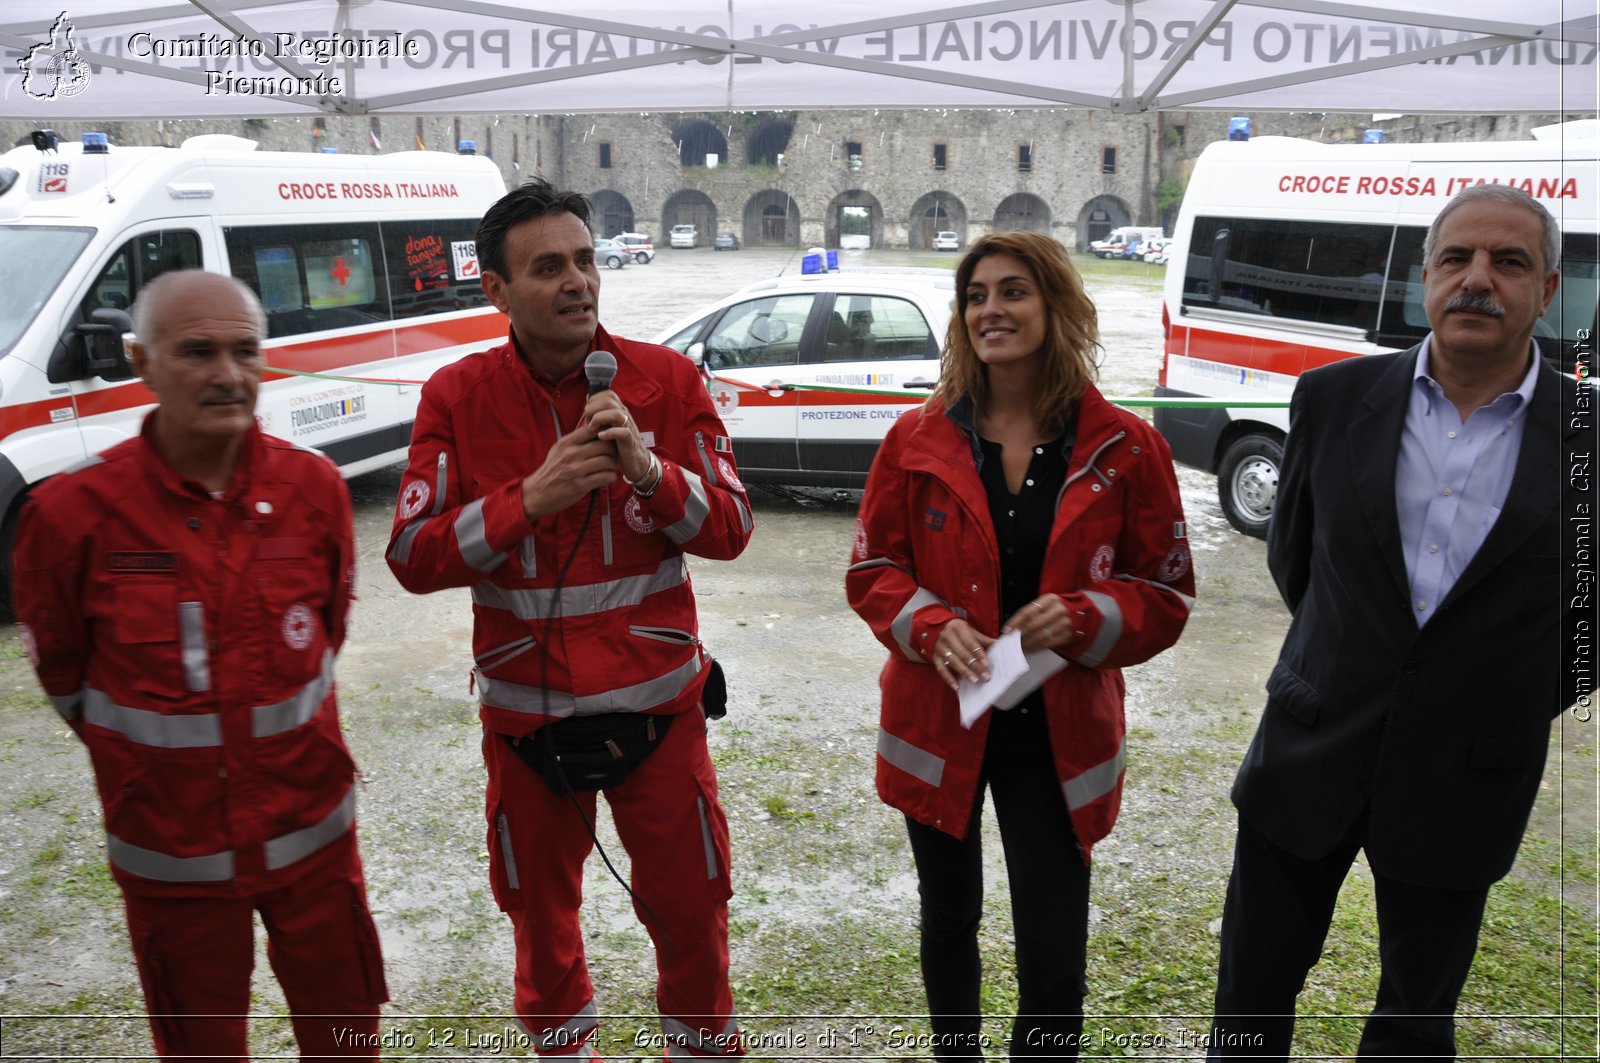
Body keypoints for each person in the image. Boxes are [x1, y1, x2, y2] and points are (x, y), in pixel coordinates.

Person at [1207, 183, 1588, 1058]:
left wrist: (1497, 695)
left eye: (1509, 261)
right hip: (1309, 748)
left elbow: (1588, 618)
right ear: (1426, 277)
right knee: (1249, 1000)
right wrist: (1350, 659)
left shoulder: (1590, 440)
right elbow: (1296, 559)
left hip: (1466, 772)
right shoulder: (1334, 400)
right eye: (1457, 258)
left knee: (1416, 1021)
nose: (1478, 279)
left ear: (1549, 287)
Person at [385, 180, 752, 1060]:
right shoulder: (456, 395)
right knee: (541, 925)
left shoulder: (665, 380)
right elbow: (411, 555)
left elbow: (734, 529)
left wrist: (650, 474)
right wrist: (528, 499)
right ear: (497, 291)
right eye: (548, 267)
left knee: (692, 911)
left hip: (660, 715)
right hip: (526, 725)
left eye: (585, 260)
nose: (579, 281)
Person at [13, 270, 387, 1059]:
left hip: (313, 844)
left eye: (245, 351)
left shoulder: (314, 491)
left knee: (347, 1039)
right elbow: (68, 682)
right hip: (172, 862)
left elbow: (324, 635)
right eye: (197, 352)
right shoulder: (70, 517)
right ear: (138, 361)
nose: (228, 374)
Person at [846, 231, 1195, 1059]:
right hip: (942, 720)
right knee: (948, 922)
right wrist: (931, 627)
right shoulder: (916, 439)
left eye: (1013, 291)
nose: (991, 310)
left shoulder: (1126, 447)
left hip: (1058, 730)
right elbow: (873, 570)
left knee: (1052, 944)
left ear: (1056, 305)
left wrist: (1085, 615)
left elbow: (1168, 591)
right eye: (976, 296)